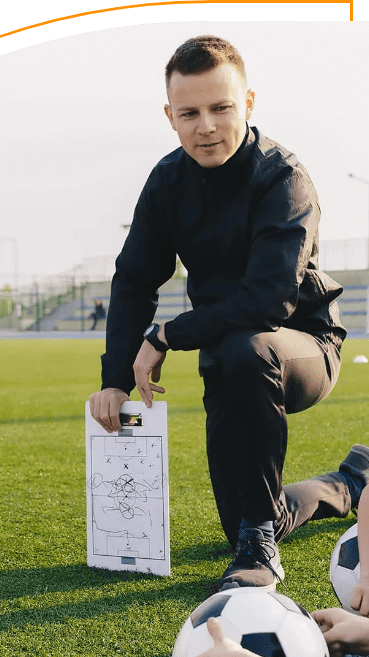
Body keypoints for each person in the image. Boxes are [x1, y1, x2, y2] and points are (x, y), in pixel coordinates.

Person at [88, 35, 365, 591]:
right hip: (227, 351)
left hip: (302, 345)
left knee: (248, 347)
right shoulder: (167, 181)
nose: (206, 126)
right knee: (244, 518)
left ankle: (261, 549)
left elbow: (269, 301)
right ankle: (347, 482)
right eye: (189, 112)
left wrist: (167, 335)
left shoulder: (284, 177)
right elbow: (135, 280)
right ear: (170, 116)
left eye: (221, 108)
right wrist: (115, 381)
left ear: (249, 103)